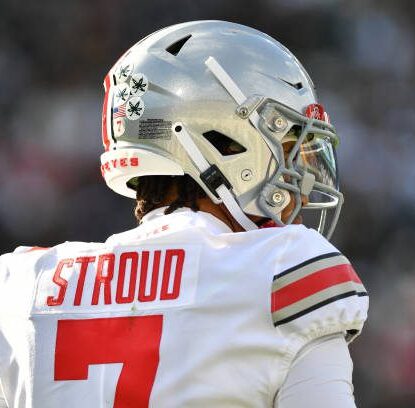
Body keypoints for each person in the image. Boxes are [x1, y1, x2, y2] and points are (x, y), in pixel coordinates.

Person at [0, 20, 368, 407]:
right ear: (223, 145)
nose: (300, 193)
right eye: (286, 153)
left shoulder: (20, 285)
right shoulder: (283, 273)